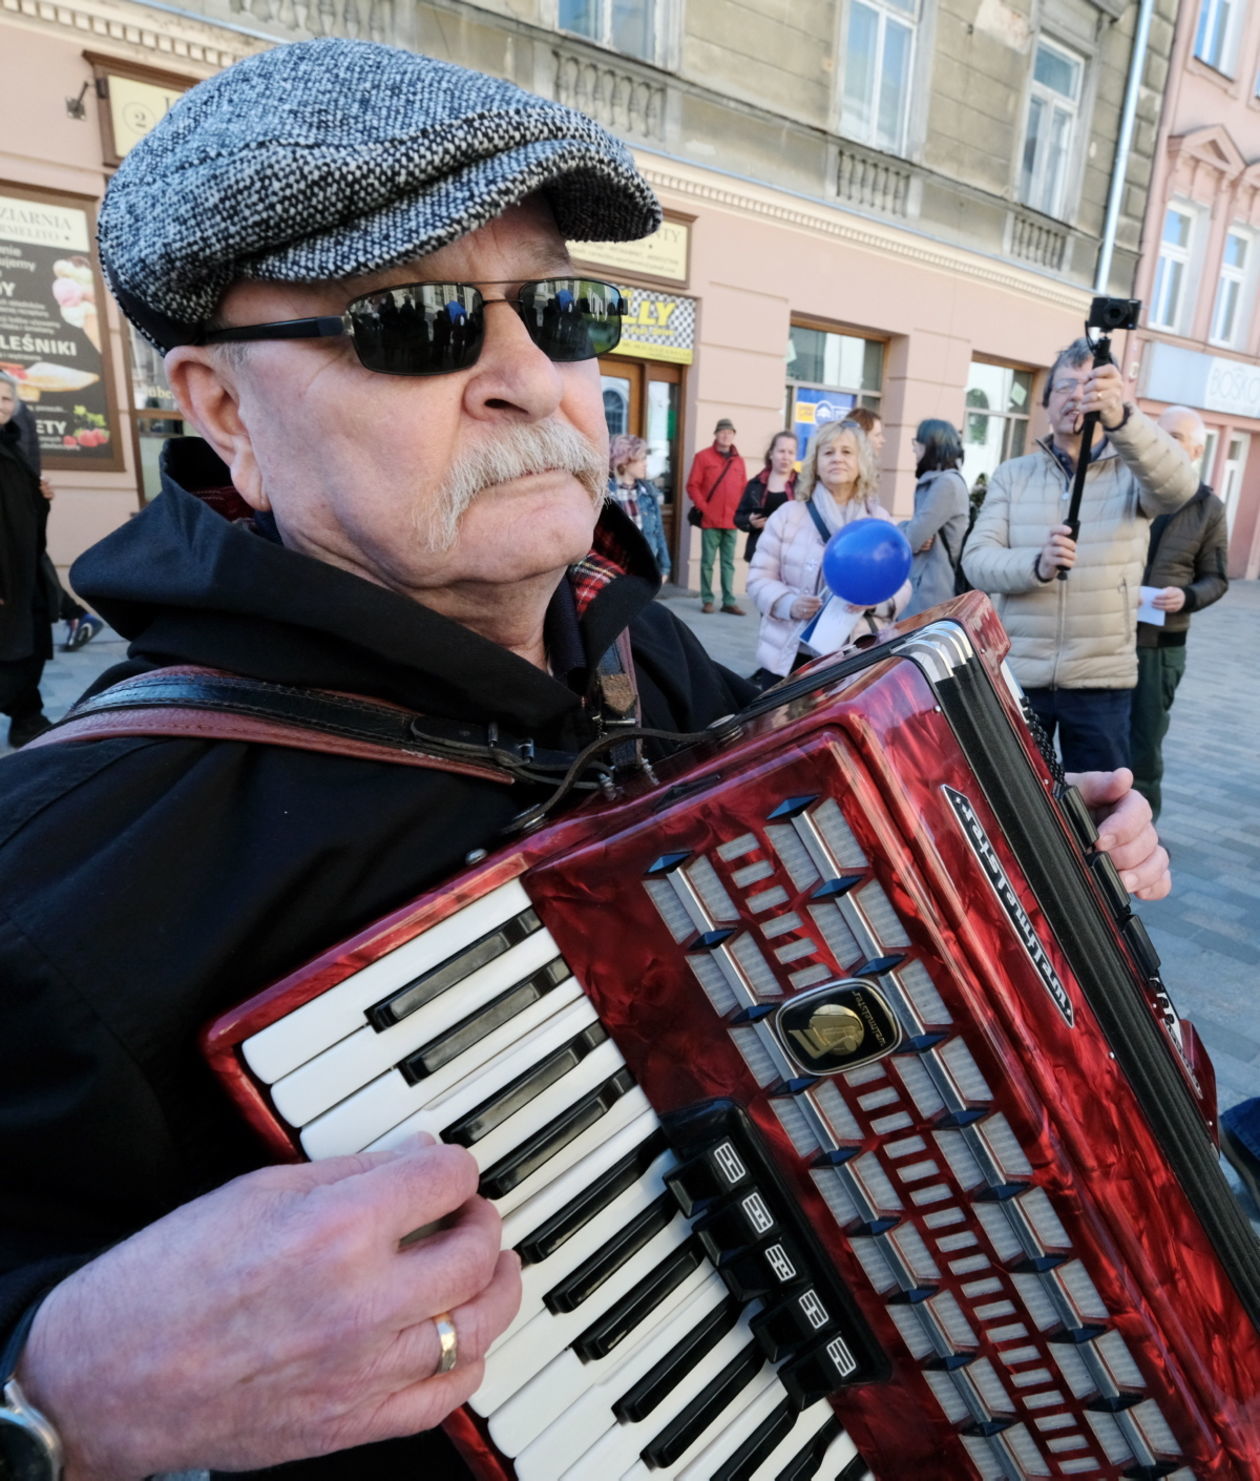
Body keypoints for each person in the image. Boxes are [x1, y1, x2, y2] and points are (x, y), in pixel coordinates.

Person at [0, 40, 1170, 1481]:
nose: (530, 381)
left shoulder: (637, 648)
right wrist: (53, 1387)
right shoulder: (60, 874)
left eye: (560, 311)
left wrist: (1036, 860)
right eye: (414, 322)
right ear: (226, 411)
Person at [962, 339, 1197, 774]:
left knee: (1100, 808)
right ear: (1046, 401)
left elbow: (1179, 487)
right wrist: (1038, 564)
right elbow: (977, 560)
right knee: (1017, 796)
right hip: (1020, 673)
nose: (1077, 395)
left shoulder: (1133, 472)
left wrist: (1124, 416)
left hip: (1100, 680)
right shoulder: (1014, 475)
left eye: (1090, 384)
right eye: (1066, 385)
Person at [747, 418, 909, 684]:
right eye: (828, 452)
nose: (837, 459)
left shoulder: (879, 522)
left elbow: (902, 585)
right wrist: (790, 604)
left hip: (855, 658)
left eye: (847, 452)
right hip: (791, 656)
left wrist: (875, 602)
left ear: (862, 462)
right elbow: (758, 578)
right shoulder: (788, 515)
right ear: (815, 462)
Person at [1128, 406, 1228, 821]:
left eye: (1176, 436)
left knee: (1145, 743)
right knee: (1100, 740)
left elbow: (1217, 578)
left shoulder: (1209, 507)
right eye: (1159, 433)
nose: (1164, 441)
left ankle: (1143, 831)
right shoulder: (1131, 487)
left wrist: (1184, 597)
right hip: (1109, 637)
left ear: (1197, 450)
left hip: (1159, 647)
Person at [8, 394, 105, 652]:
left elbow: (20, 453)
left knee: (30, 557)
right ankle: (74, 615)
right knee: (32, 557)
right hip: (20, 495)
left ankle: (73, 615)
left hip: (16, 496)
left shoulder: (11, 406)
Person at [0, 375, 56, 748]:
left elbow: (22, 516)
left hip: (24, 572)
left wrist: (42, 500)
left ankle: (28, 719)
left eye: (6, 398)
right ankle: (25, 716)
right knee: (11, 652)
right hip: (4, 576)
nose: (2, 404)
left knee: (31, 643)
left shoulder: (13, 448)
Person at [900, 418, 969, 619]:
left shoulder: (946, 484)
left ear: (930, 444)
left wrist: (901, 529)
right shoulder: (938, 482)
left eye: (916, 443)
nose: (914, 450)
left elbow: (912, 539)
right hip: (927, 585)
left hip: (933, 589)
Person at [685, 416, 745, 614]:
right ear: (716, 434)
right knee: (707, 562)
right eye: (722, 432)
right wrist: (705, 508)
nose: (726, 435)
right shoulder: (703, 457)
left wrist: (741, 512)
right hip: (710, 520)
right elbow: (692, 485)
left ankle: (728, 600)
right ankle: (707, 600)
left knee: (729, 563)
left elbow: (744, 487)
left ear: (734, 435)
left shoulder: (739, 461)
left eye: (730, 432)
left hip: (731, 520)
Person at [608, 432, 670, 579]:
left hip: (645, 568)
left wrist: (664, 567)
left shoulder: (648, 493)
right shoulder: (606, 494)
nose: (645, 463)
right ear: (624, 462)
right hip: (615, 571)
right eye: (641, 459)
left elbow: (658, 532)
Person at [734, 428, 796, 562]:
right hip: (760, 554)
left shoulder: (804, 485)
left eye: (790, 452)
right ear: (771, 454)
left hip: (792, 556)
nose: (786, 457)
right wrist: (750, 522)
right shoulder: (755, 484)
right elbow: (738, 518)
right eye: (781, 451)